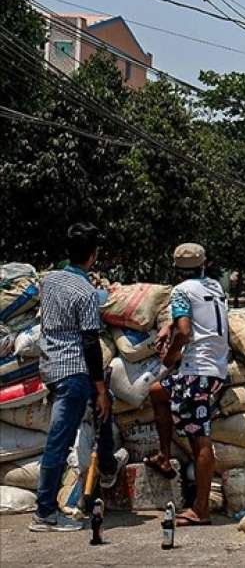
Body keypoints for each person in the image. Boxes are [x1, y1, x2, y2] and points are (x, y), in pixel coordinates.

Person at [30, 223, 127, 532]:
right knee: (59, 442)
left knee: (106, 405)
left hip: (51, 367)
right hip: (74, 371)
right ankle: (44, 513)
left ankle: (109, 465)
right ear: (94, 256)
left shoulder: (50, 280)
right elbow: (89, 343)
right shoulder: (87, 294)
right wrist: (98, 386)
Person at [144, 243, 229, 527]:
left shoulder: (181, 290)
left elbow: (185, 330)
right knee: (158, 392)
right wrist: (169, 325)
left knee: (199, 439)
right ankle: (165, 456)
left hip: (197, 373)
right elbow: (194, 317)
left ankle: (200, 509)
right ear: (204, 265)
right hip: (215, 369)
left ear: (176, 270)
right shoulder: (215, 287)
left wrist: (170, 356)